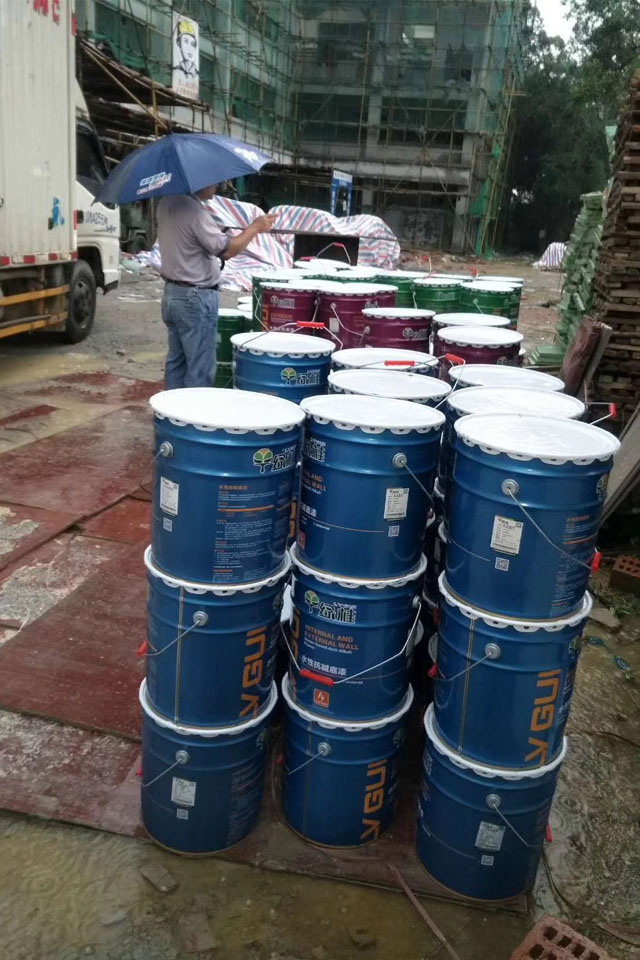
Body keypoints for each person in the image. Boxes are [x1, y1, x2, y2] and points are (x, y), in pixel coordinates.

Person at [157, 186, 275, 389]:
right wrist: (255, 228)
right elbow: (227, 250)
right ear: (200, 182)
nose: (216, 186)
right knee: (200, 368)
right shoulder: (195, 213)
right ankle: (194, 410)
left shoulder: (166, 203)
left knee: (177, 362)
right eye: (214, 182)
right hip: (195, 297)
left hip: (173, 294)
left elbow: (190, 239)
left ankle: (171, 407)